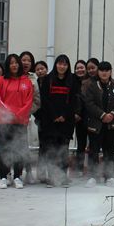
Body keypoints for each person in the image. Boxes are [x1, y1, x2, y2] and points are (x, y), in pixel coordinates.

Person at [0, 54, 40, 189]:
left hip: (20, 121)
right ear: (8, 65)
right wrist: (8, 113)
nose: (14, 65)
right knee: (4, 148)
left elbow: (29, 101)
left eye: (16, 63)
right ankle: (3, 176)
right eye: (11, 63)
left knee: (19, 149)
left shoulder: (26, 81)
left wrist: (18, 114)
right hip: (3, 120)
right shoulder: (1, 80)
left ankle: (17, 176)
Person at [39, 55, 79, 187]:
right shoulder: (47, 80)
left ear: (68, 66)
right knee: (51, 149)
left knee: (63, 149)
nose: (62, 67)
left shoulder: (73, 80)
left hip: (66, 121)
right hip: (50, 121)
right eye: (60, 64)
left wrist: (64, 115)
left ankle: (62, 176)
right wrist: (55, 115)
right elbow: (45, 100)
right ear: (56, 65)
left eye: (65, 64)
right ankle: (51, 177)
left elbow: (74, 100)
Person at [83, 61, 114, 187]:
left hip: (112, 124)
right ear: (98, 72)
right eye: (102, 70)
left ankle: (109, 177)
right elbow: (89, 103)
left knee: (110, 151)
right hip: (96, 123)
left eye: (107, 70)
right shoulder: (91, 86)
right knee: (94, 150)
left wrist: (112, 114)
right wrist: (102, 115)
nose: (104, 73)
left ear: (111, 71)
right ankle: (92, 177)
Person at [19, 51, 39, 183]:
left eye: (28, 60)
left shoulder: (34, 78)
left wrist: (27, 112)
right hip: (13, 117)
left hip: (28, 117)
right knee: (12, 145)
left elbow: (37, 99)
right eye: (23, 60)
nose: (25, 62)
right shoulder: (13, 77)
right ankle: (11, 172)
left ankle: (29, 171)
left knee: (26, 146)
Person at [33, 60, 49, 183]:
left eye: (42, 68)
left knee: (52, 147)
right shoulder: (35, 83)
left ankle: (52, 172)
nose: (40, 71)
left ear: (46, 69)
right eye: (37, 69)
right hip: (40, 119)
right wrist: (37, 116)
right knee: (42, 147)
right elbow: (33, 101)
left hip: (52, 119)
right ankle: (41, 173)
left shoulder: (51, 82)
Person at [73, 59, 90, 175]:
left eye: (82, 67)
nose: (80, 70)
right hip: (77, 118)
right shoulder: (72, 82)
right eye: (77, 68)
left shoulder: (91, 82)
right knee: (81, 144)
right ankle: (79, 168)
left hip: (90, 116)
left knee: (93, 144)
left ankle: (92, 169)